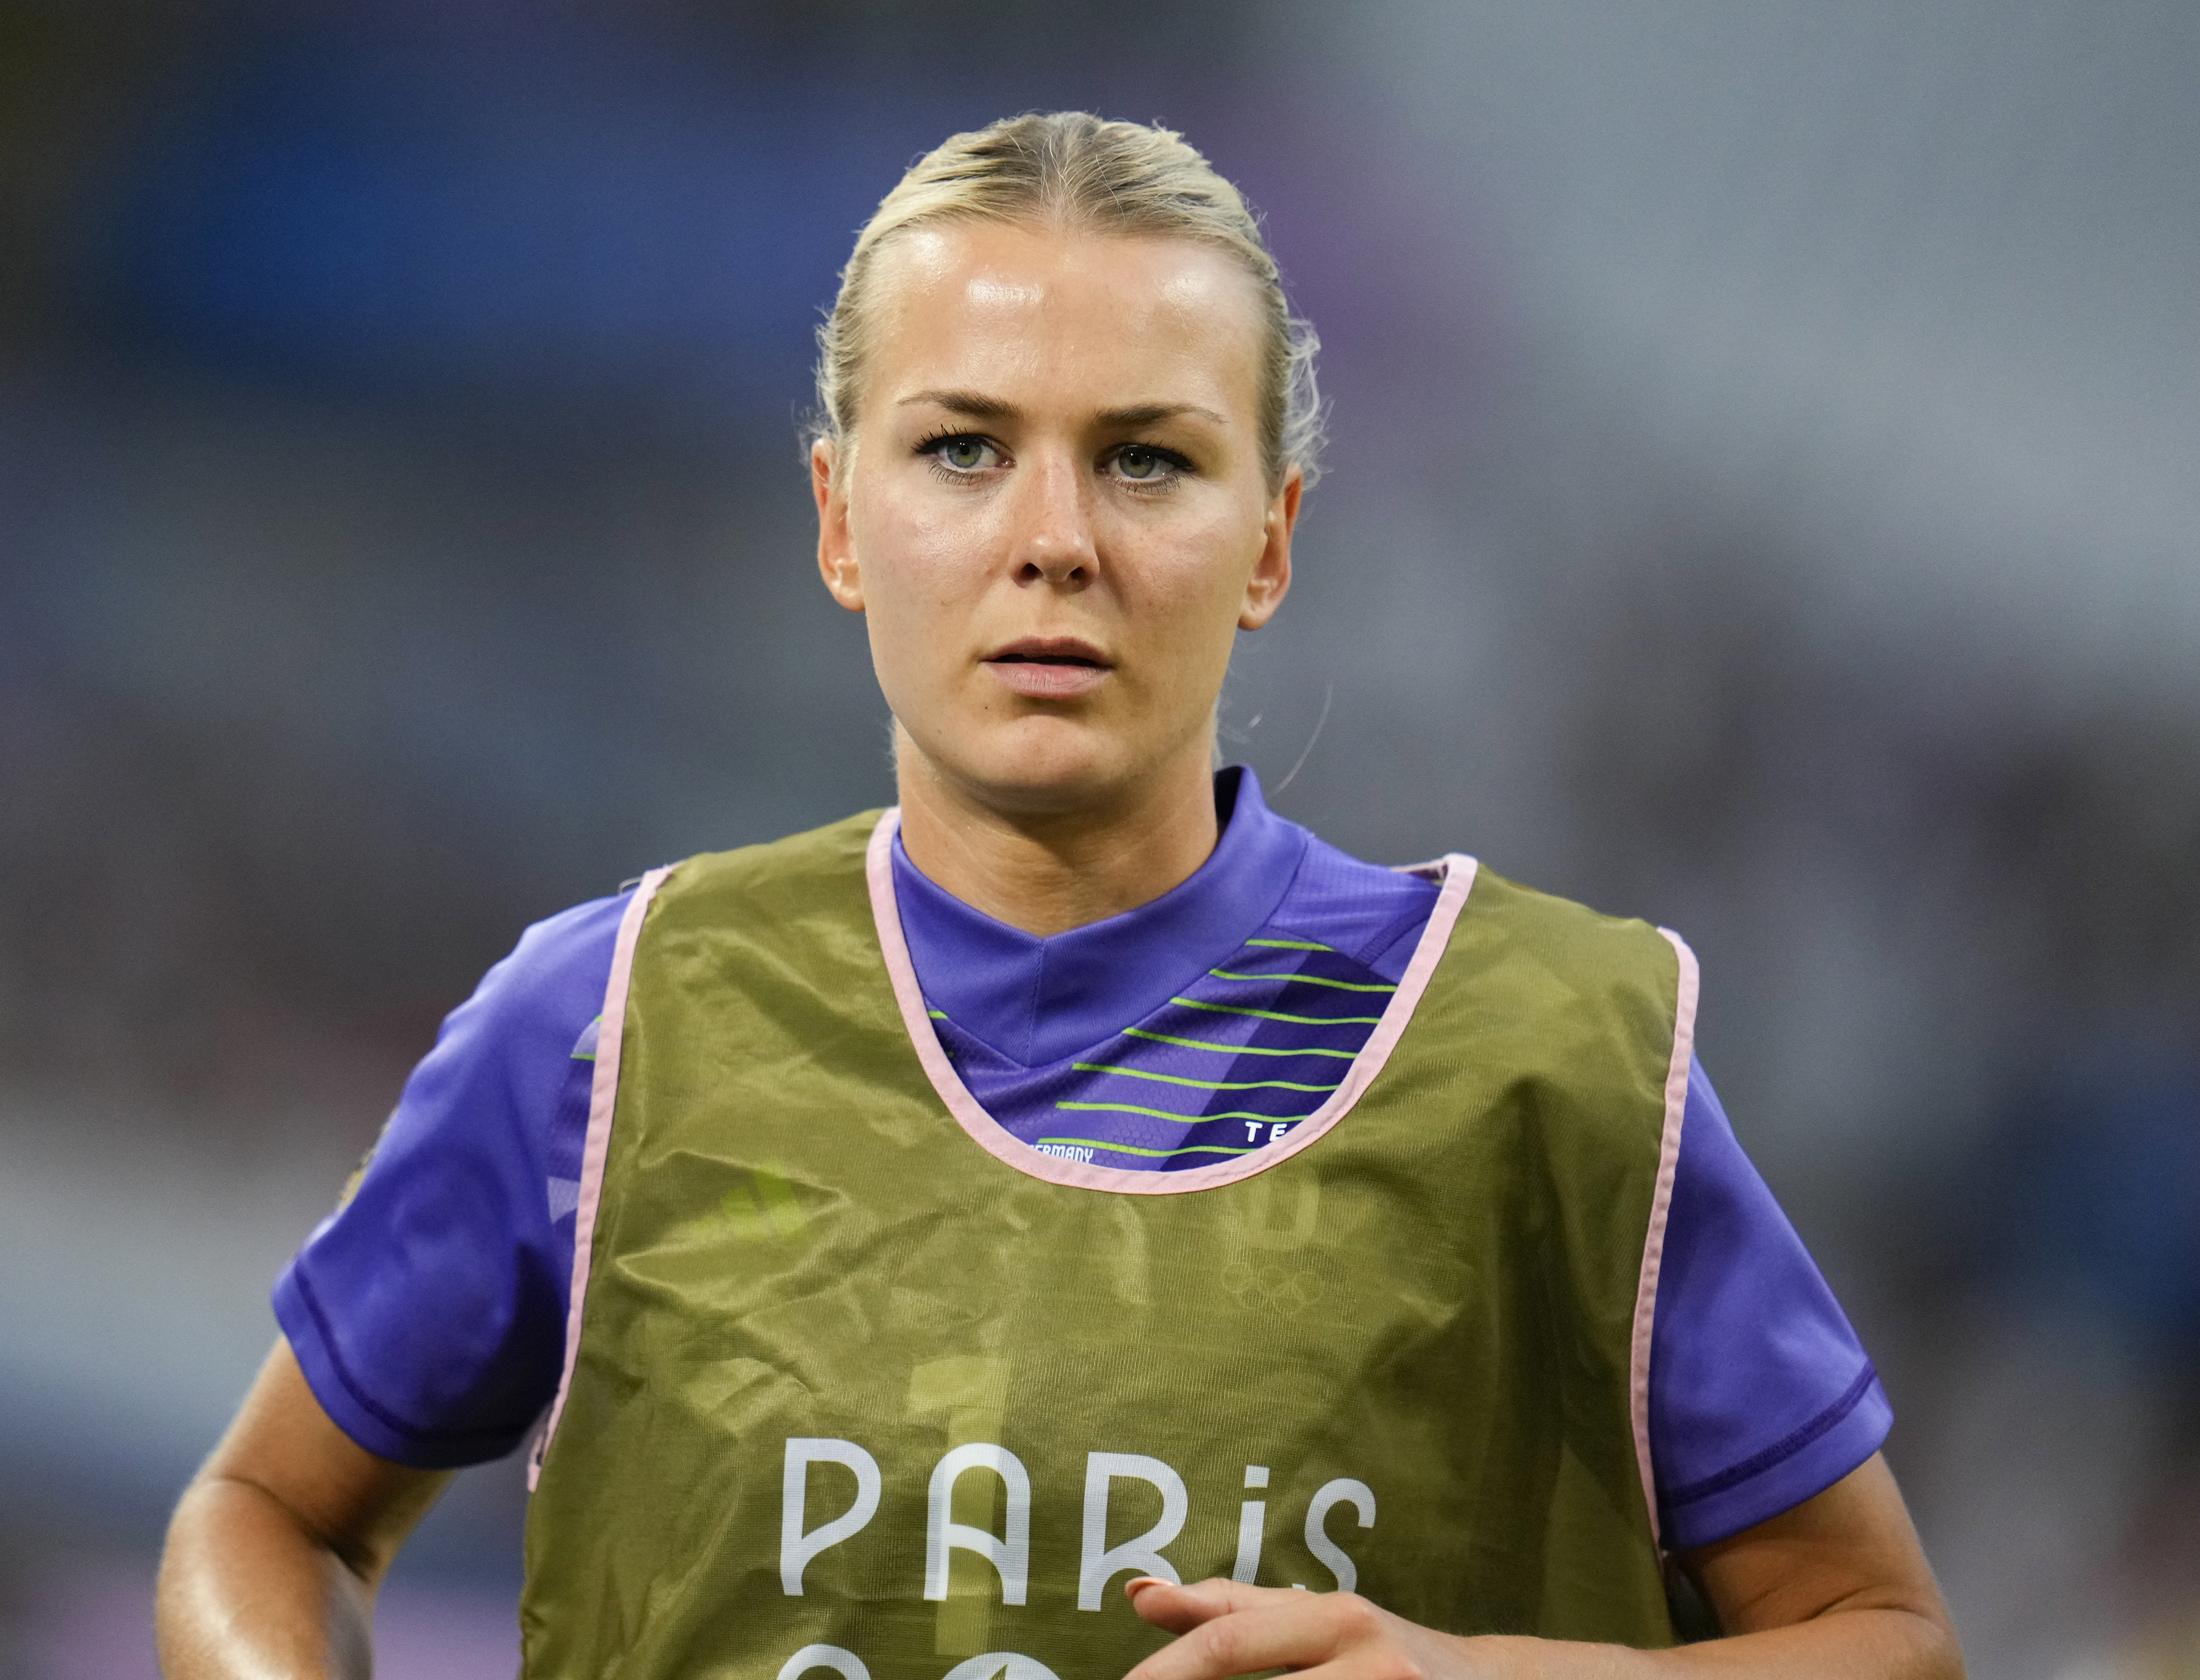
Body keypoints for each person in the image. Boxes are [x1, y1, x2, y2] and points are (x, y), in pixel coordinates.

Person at [155, 113, 1963, 1680]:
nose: (1056, 537)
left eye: (1148, 458)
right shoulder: (608, 1022)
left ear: (1272, 536)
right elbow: (263, 1515)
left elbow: (1887, 1637)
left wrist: (1460, 1665)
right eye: (961, 446)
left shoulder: (1558, 1066)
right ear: (838, 516)